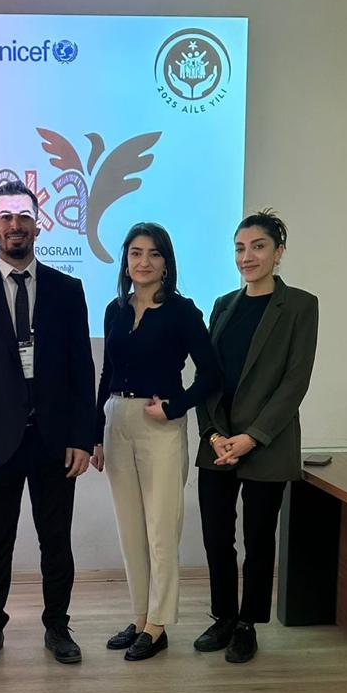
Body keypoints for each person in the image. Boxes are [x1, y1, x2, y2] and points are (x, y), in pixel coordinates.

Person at [0, 179, 95, 667]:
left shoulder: (68, 290)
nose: (16, 225)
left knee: (56, 540)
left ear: (38, 225)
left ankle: (58, 626)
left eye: (24, 216)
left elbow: (82, 370)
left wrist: (82, 437)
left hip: (55, 441)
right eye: (6, 217)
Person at [92, 223, 220, 662]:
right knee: (130, 529)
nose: (143, 262)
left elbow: (211, 374)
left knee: (161, 529)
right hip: (117, 420)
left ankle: (159, 624)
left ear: (166, 262)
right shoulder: (114, 310)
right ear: (125, 261)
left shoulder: (182, 311)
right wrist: (94, 433)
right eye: (135, 253)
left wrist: (175, 406)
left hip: (159, 424)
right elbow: (107, 374)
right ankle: (140, 615)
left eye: (153, 254)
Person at [195, 209, 318, 664]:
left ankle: (248, 624)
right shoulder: (223, 305)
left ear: (278, 252)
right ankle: (224, 617)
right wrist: (213, 433)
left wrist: (252, 437)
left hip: (267, 443)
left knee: (259, 540)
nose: (247, 257)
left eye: (258, 247)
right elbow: (208, 376)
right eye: (240, 248)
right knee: (216, 537)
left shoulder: (300, 306)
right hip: (218, 443)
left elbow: (295, 381)